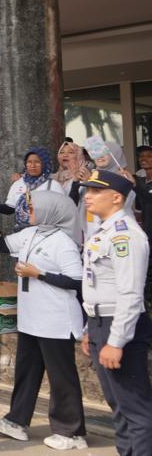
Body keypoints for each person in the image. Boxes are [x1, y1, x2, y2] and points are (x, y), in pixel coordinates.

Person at [0, 192, 88, 450]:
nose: (28, 210)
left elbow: (76, 280)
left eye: (32, 206)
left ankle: (72, 432)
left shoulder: (63, 242)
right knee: (26, 372)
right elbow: (4, 246)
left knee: (62, 377)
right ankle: (16, 421)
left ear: (50, 210)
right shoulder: (33, 232)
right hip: (31, 318)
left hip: (55, 319)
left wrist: (39, 273)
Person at [77, 170, 152, 455]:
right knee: (118, 406)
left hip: (119, 325)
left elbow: (130, 295)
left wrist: (116, 341)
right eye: (87, 191)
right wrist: (89, 329)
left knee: (135, 409)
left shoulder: (126, 236)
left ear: (117, 197)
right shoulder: (104, 230)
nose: (88, 197)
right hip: (100, 323)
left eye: (96, 192)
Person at [4, 148, 65, 230]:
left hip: (46, 233)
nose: (32, 165)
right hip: (22, 233)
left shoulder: (53, 185)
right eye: (29, 162)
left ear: (44, 164)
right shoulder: (18, 183)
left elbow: (63, 212)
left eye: (37, 162)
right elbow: (10, 208)